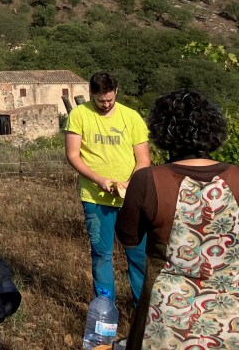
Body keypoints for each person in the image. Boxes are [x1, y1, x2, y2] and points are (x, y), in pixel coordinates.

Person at [115, 90, 238, 350]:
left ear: (162, 132)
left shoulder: (148, 180)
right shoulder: (236, 178)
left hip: (166, 321)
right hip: (230, 318)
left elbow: (128, 237)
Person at [65, 71, 150, 305]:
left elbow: (143, 159)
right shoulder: (79, 115)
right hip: (95, 197)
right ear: (91, 94)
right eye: (100, 100)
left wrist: (131, 185)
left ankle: (142, 308)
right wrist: (99, 180)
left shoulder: (131, 117)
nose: (105, 104)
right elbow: (73, 155)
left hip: (131, 198)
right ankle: (105, 309)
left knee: (138, 254)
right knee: (102, 255)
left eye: (110, 99)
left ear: (116, 92)